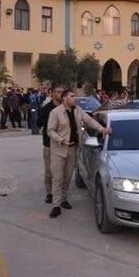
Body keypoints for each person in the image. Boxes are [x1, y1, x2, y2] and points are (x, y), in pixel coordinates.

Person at [46, 89, 111, 218]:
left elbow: (89, 120)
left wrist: (102, 129)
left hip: (73, 149)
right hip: (58, 150)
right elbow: (50, 130)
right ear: (64, 98)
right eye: (71, 96)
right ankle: (56, 205)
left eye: (74, 96)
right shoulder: (55, 112)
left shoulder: (77, 110)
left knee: (68, 177)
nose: (74, 98)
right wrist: (60, 139)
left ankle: (63, 199)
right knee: (58, 178)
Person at [37, 85, 63, 204]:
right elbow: (38, 122)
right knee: (49, 171)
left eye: (62, 92)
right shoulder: (47, 108)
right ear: (52, 93)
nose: (60, 94)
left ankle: (60, 194)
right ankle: (49, 193)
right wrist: (51, 121)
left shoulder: (65, 108)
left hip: (62, 144)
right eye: (58, 92)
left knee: (60, 171)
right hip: (48, 144)